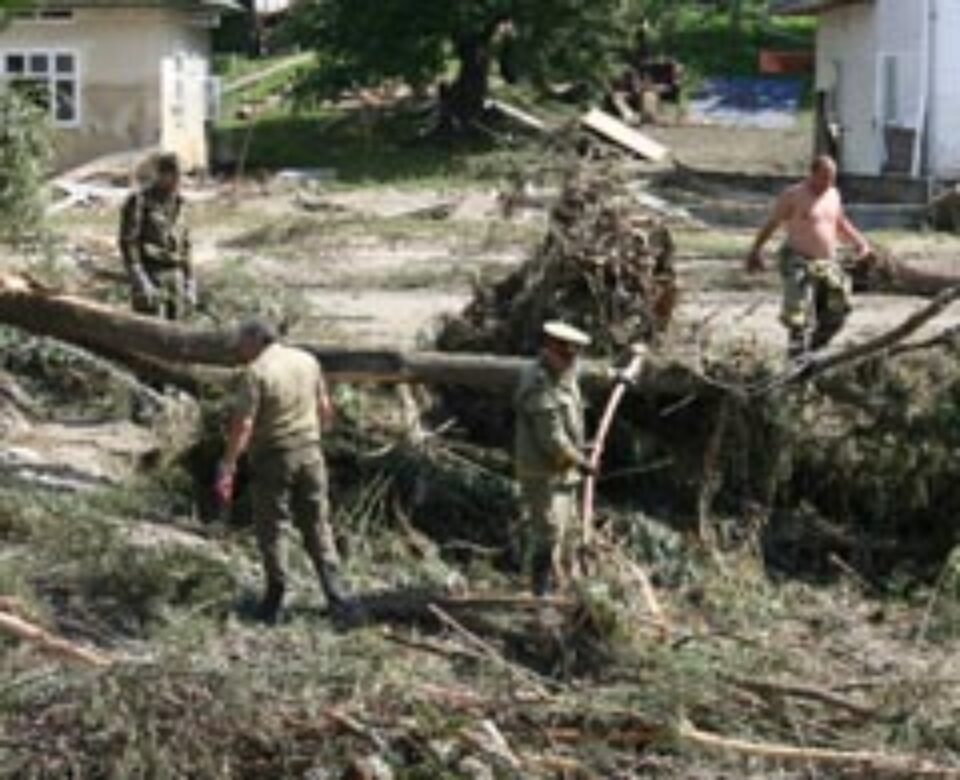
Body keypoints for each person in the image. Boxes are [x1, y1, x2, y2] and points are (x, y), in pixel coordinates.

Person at [215, 319, 354, 624]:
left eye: (241, 340)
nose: (238, 348)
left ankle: (274, 599)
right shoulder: (307, 360)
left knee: (272, 527)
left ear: (255, 339)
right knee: (317, 523)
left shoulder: (256, 372)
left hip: (273, 457)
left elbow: (244, 426)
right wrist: (315, 438)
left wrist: (229, 464)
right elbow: (325, 409)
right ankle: (339, 599)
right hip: (311, 453)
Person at [746, 155, 871, 357]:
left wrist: (860, 243)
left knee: (838, 311)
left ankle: (813, 351)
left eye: (832, 178)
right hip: (799, 260)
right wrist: (755, 250)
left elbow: (840, 223)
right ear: (812, 174)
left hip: (828, 263)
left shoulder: (833, 194)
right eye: (823, 177)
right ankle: (796, 358)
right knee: (799, 317)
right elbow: (772, 223)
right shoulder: (793, 195)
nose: (827, 183)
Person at [513, 321, 595, 596]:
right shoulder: (539, 383)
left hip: (562, 472)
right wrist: (579, 460)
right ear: (550, 350)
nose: (572, 361)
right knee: (547, 532)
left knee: (565, 530)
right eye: (566, 354)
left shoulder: (564, 373)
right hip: (542, 473)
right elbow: (551, 438)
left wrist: (621, 370)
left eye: (575, 355)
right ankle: (541, 593)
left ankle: (560, 584)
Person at [118, 153, 196, 321]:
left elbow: (187, 246)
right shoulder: (139, 202)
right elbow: (128, 244)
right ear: (162, 175)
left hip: (176, 278)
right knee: (150, 335)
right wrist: (141, 281)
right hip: (152, 275)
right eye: (174, 175)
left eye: (181, 176)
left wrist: (190, 283)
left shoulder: (180, 204)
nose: (178, 181)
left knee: (177, 335)